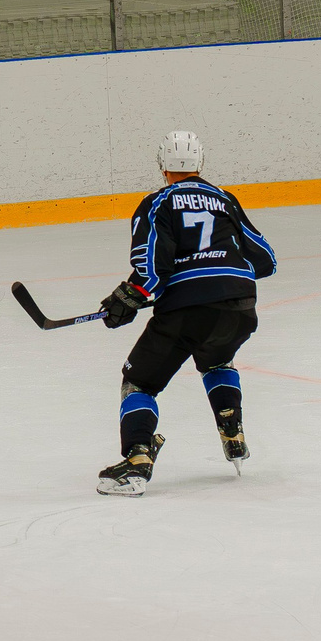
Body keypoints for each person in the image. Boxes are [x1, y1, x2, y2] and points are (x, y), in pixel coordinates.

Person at [94, 131, 277, 497]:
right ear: (201, 163)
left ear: (162, 166)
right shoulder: (225, 199)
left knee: (139, 383)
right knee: (218, 360)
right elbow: (266, 260)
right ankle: (233, 433)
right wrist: (220, 275)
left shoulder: (157, 202)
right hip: (240, 306)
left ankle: (137, 461)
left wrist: (131, 295)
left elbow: (152, 267)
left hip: (187, 313)